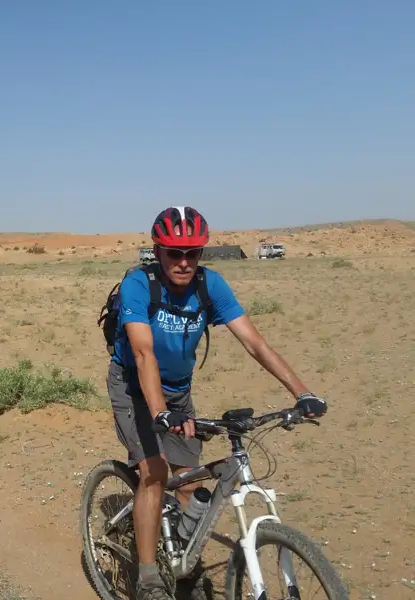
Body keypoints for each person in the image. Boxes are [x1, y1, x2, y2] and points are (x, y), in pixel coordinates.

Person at [107, 206, 328, 600]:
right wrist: (160, 412)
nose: (184, 262)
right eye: (174, 253)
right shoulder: (139, 285)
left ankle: (182, 560)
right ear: (158, 252)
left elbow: (255, 343)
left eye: (193, 252)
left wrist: (302, 392)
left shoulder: (211, 286)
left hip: (177, 389)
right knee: (155, 472)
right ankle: (147, 577)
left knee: (189, 480)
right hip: (134, 387)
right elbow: (143, 354)